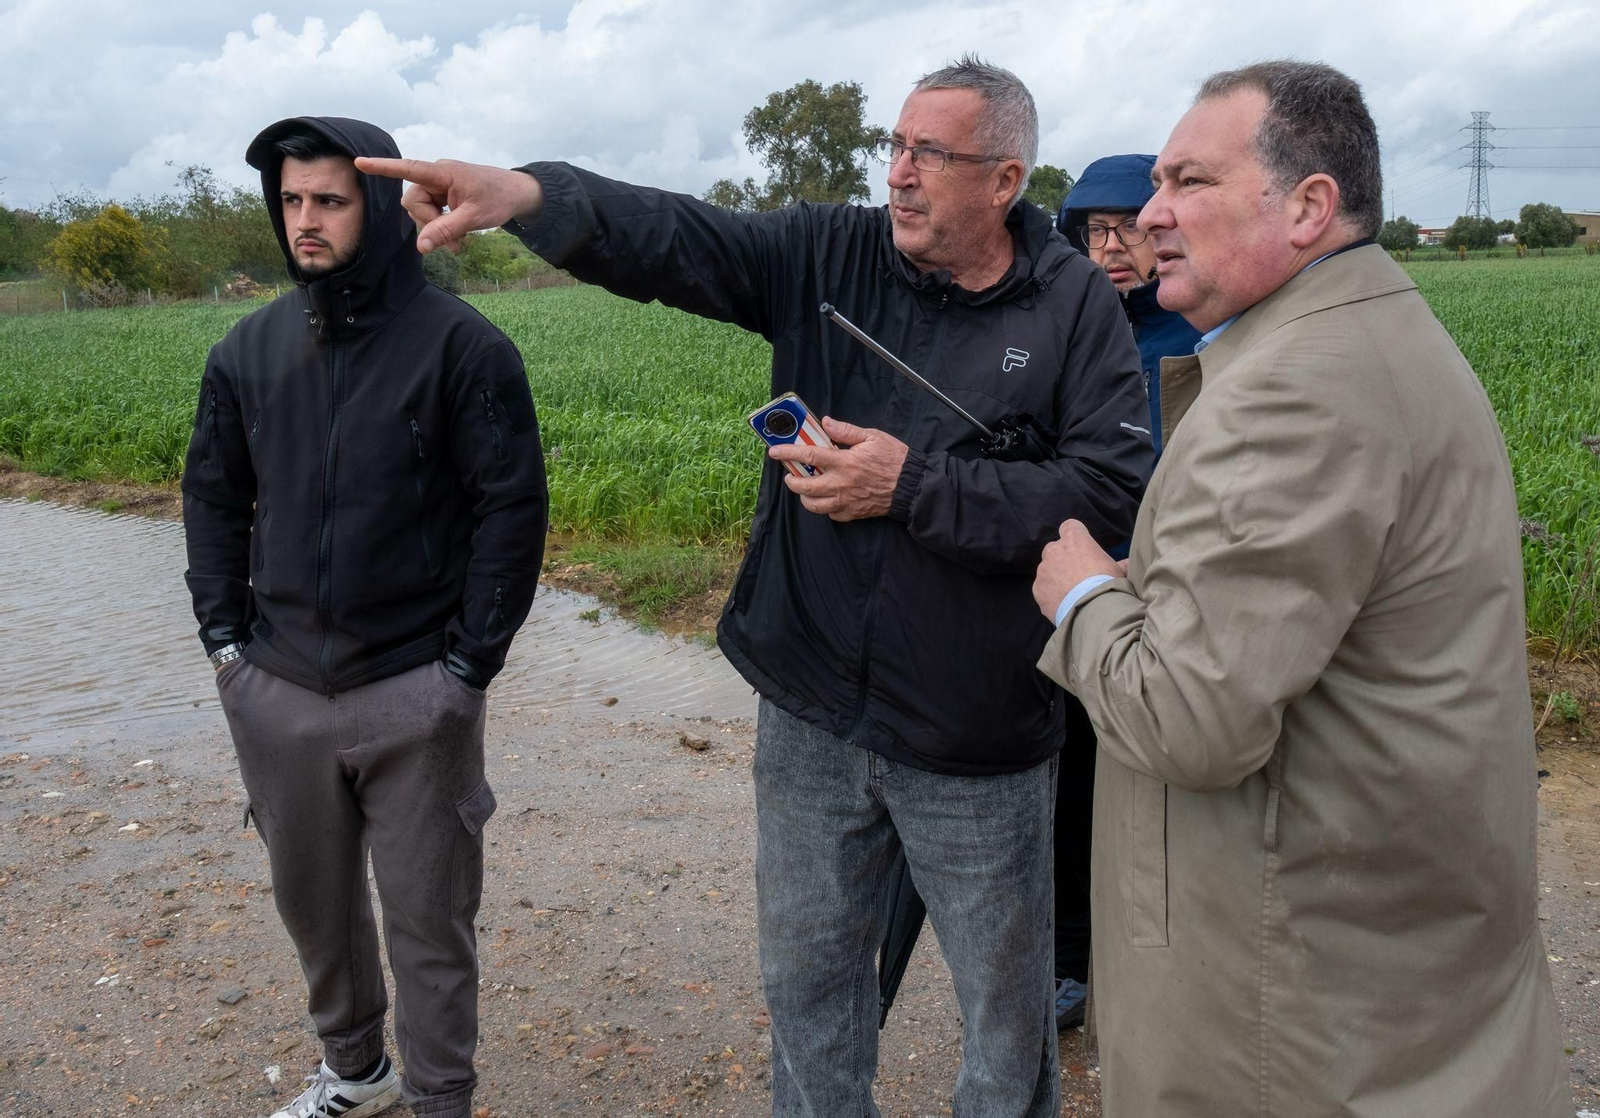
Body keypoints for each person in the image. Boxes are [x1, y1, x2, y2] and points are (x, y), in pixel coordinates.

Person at [361, 56, 1150, 1116]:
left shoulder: (1071, 305)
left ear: (1005, 180)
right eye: (895, 145)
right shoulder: (831, 252)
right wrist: (532, 197)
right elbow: (680, 237)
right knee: (810, 987)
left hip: (978, 733)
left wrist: (912, 485)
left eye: (929, 154)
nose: (898, 173)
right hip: (811, 707)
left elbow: (1107, 495)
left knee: (1005, 1018)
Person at [1032, 61, 1568, 1116]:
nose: (1151, 213)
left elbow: (1190, 721)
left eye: (1189, 181)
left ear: (1309, 206)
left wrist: (1085, 596)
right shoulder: (1369, 332)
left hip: (1289, 1010)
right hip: (1380, 954)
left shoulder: (1290, 389)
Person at [182, 116, 547, 1118]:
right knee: (315, 905)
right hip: (278, 684)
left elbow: (511, 510)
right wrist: (226, 646)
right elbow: (213, 497)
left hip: (415, 684)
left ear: (379, 209)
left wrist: (467, 667)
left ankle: (441, 1099)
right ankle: (355, 1071)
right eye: (292, 201)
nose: (307, 220)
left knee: (430, 920)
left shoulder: (462, 347)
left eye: (330, 201)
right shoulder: (247, 350)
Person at [1048, 155, 1203, 1032]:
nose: (1108, 250)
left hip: (1168, 598)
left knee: (1164, 792)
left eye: (1127, 229)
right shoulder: (1068, 328)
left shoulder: (1199, 335)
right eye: (1090, 233)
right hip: (1075, 592)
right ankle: (1072, 961)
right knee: (1072, 785)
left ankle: (1166, 967)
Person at [1057, 154, 1201, 460]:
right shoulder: (1069, 335)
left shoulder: (1208, 329)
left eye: (1131, 226)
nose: (1112, 246)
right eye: (1097, 230)